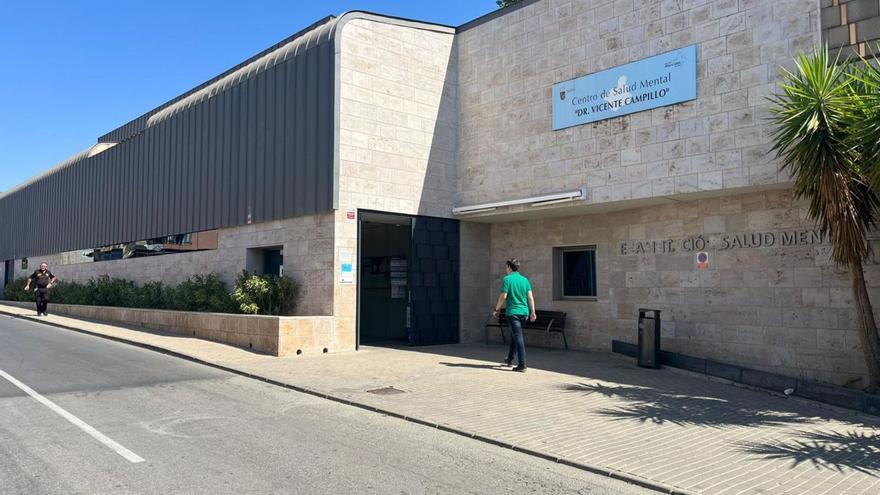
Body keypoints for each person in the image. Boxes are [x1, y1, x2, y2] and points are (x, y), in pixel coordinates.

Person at [492, 258, 536, 372]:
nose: (505, 269)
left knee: (518, 337)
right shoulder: (525, 280)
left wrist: (496, 309)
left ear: (509, 267)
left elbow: (503, 296)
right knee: (514, 335)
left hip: (513, 313)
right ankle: (510, 359)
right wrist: (533, 312)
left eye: (506, 267)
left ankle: (522, 365)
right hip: (524, 313)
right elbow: (530, 297)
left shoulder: (507, 279)